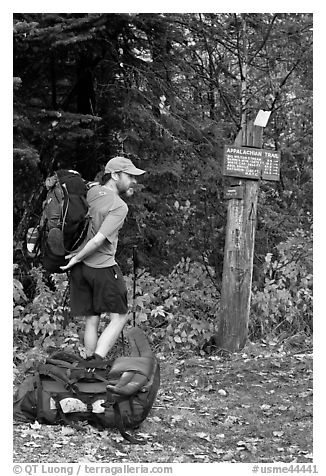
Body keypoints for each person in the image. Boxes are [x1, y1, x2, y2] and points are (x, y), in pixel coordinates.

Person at [60, 156, 145, 361]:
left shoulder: (88, 192)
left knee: (92, 318)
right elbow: (98, 240)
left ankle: (88, 370)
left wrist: (75, 260)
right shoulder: (119, 205)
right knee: (120, 316)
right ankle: (96, 363)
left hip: (79, 270)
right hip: (101, 267)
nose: (134, 180)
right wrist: (77, 258)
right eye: (129, 176)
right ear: (115, 175)